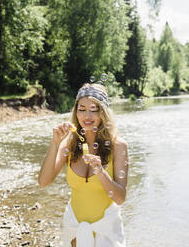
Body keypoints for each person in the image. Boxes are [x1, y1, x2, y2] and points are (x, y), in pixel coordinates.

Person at [38, 82, 128, 247]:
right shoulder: (69, 144)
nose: (87, 116)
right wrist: (55, 143)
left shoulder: (118, 146)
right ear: (75, 111)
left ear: (103, 113)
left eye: (94, 110)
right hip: (75, 230)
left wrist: (101, 172)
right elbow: (44, 182)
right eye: (82, 109)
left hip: (106, 231)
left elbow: (120, 198)